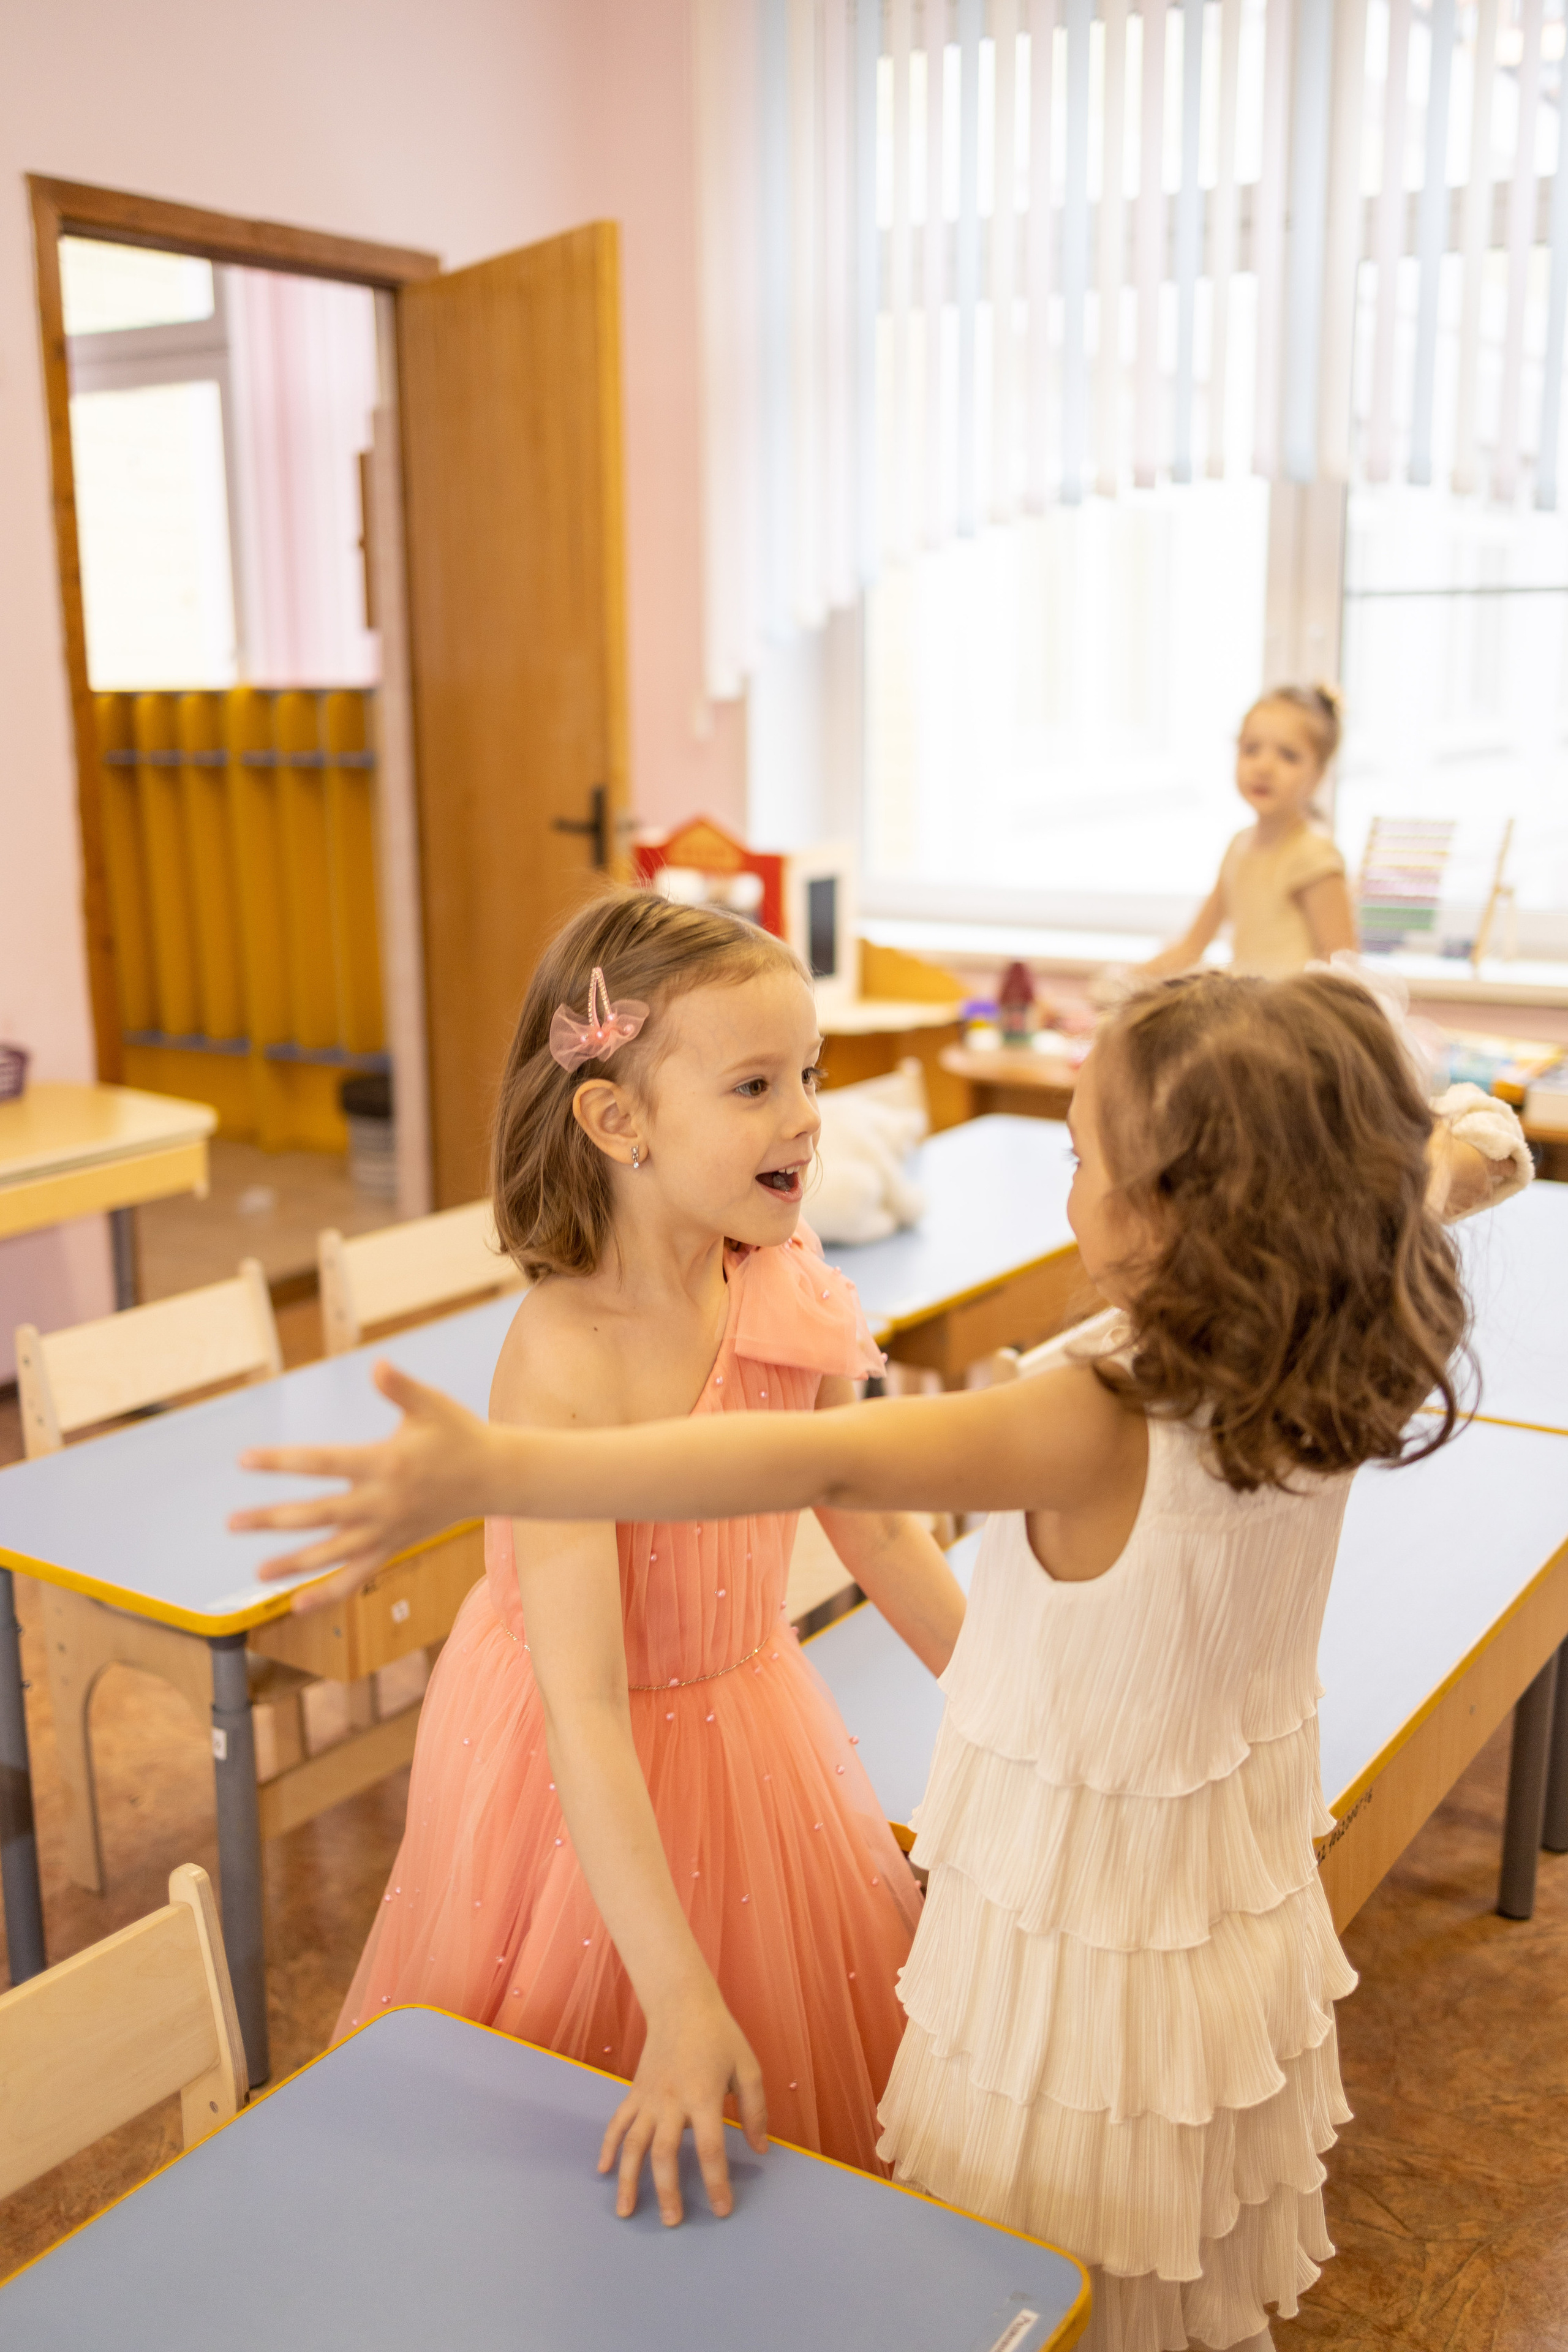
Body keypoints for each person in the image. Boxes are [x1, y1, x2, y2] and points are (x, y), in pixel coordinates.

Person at [236, 968, 1529, 2351]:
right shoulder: (1321, 1316)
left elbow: (834, 1462)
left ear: (1182, 1211)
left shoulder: (1093, 1406)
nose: (1066, 1183)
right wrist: (1456, 1143)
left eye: (1080, 1155)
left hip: (1002, 1872)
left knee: (967, 2230)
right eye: (758, 1081)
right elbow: (1438, 1167)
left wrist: (503, 1469)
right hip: (1180, 1891)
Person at [290, 891, 965, 2221]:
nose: (807, 1116)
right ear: (619, 1122)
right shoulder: (563, 1356)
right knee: (571, 2133)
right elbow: (581, 1707)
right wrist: (674, 1995)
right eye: (755, 1084)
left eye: (809, 1077)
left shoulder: (784, 1279)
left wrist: (1022, 1715)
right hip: (572, 1754)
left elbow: (874, 1523)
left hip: (748, 1713)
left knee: (802, 2125)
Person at [1140, 684, 1359, 981]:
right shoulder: (1238, 847)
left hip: (1295, 1022)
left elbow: (1343, 968)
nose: (1264, 767)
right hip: (1250, 1015)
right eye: (1251, 750)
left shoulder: (1314, 855)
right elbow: (1192, 947)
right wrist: (1126, 981)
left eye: (1288, 756)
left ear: (1319, 775)